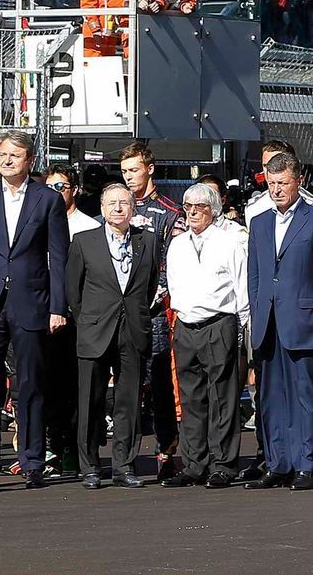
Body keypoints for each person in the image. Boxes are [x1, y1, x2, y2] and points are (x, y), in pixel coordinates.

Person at [0, 129, 70, 489]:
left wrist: (57, 305)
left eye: (14, 156)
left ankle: (33, 461)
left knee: (31, 385)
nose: (7, 161)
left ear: (29, 161)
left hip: (31, 301)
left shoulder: (47, 199)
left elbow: (59, 255)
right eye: (3, 154)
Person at [244, 149, 313, 489]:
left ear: (299, 181)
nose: (277, 189)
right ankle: (277, 462)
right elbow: (254, 275)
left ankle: (306, 463)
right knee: (269, 396)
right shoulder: (259, 222)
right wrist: (256, 313)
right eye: (271, 183)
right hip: (267, 320)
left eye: (283, 183)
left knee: (303, 395)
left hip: (303, 319)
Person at [67, 183, 158, 488]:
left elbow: (148, 285)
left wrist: (137, 313)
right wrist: (86, 320)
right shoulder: (84, 241)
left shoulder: (147, 241)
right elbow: (73, 290)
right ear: (102, 209)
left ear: (133, 208)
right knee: (90, 401)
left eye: (124, 202)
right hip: (94, 328)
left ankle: (124, 465)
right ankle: (90, 465)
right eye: (112, 203)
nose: (118, 208)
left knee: (129, 401)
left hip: (132, 328)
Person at [167, 181, 249, 487]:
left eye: (199, 207)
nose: (192, 213)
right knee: (190, 398)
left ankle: (223, 464)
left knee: (223, 397)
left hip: (220, 322)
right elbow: (173, 283)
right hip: (186, 324)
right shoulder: (178, 244)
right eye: (187, 207)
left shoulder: (230, 242)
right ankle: (193, 463)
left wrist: (240, 327)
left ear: (213, 211)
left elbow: (241, 287)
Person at [120, 141, 185, 480]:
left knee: (159, 384)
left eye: (134, 169)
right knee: (127, 386)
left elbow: (171, 266)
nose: (129, 177)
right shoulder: (117, 206)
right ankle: (126, 455)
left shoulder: (169, 212)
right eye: (125, 171)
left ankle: (166, 451)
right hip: (120, 311)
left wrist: (150, 299)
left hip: (154, 311)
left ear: (150, 168)